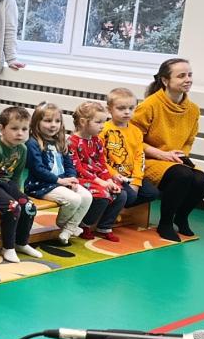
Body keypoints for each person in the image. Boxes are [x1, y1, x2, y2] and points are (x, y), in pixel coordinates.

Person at [132, 58, 204, 242]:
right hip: (148, 159)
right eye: (181, 76)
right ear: (165, 80)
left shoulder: (193, 110)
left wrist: (182, 155)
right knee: (182, 175)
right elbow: (133, 140)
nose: (188, 79)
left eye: (189, 75)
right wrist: (162, 154)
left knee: (201, 180)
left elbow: (189, 140)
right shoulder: (149, 105)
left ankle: (181, 217)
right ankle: (165, 223)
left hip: (174, 160)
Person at [0, 106, 42, 263]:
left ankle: (21, 242)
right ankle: (8, 247)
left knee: (29, 206)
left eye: (24, 129)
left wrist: (17, 192)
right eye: (14, 128)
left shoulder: (22, 149)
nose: (20, 133)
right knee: (12, 207)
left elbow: (17, 174)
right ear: (2, 129)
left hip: (5, 183)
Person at [24, 103, 93, 245]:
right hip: (41, 185)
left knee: (87, 196)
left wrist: (72, 178)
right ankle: (63, 225)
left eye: (57, 121)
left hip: (61, 182)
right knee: (74, 199)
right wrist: (60, 181)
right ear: (36, 122)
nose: (53, 125)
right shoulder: (32, 143)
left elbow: (69, 164)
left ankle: (68, 230)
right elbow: (37, 169)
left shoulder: (60, 141)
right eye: (48, 121)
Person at [68, 101, 127, 242]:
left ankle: (104, 227)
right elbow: (77, 168)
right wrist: (100, 182)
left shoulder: (97, 141)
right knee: (102, 195)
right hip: (80, 179)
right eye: (98, 122)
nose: (102, 126)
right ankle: (85, 224)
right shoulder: (72, 142)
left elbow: (102, 164)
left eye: (104, 122)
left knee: (121, 194)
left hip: (98, 179)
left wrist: (108, 180)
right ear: (83, 122)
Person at [103, 88, 159, 210]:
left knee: (152, 193)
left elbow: (139, 157)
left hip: (130, 176)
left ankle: (117, 207)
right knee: (130, 196)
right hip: (112, 175)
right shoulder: (103, 130)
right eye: (121, 108)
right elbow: (100, 158)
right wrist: (113, 174)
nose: (127, 112)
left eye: (131, 108)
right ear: (109, 110)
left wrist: (136, 181)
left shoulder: (136, 132)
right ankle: (112, 210)